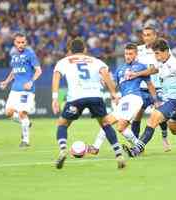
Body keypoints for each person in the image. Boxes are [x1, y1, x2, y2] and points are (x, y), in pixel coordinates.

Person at [123, 38, 176, 157]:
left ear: (165, 51)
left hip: (175, 101)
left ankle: (136, 150)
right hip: (167, 99)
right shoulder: (161, 60)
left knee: (153, 117)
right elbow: (153, 69)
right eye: (154, 53)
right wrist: (136, 74)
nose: (155, 55)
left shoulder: (174, 64)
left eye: (157, 53)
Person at [51, 37, 125, 170]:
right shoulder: (96, 61)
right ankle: (119, 153)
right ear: (85, 49)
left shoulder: (63, 62)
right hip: (95, 96)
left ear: (70, 50)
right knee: (106, 124)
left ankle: (63, 150)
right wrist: (114, 93)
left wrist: (55, 98)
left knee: (62, 123)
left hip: (76, 97)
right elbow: (105, 74)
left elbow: (56, 77)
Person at [87, 43, 157, 155]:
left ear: (136, 54)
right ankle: (96, 147)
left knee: (120, 126)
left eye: (130, 54)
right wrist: (106, 83)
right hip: (124, 100)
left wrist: (155, 100)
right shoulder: (120, 69)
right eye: (126, 54)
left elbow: (150, 84)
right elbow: (113, 85)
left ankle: (138, 147)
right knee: (107, 122)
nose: (128, 56)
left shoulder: (141, 67)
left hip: (134, 98)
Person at [0, 32, 42, 147]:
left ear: (26, 42)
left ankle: (25, 141)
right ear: (15, 43)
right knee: (8, 113)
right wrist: (6, 82)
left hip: (26, 90)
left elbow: (39, 71)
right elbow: (14, 71)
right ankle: (26, 123)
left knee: (22, 113)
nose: (21, 44)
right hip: (14, 89)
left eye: (23, 42)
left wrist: (31, 82)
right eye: (18, 42)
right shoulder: (14, 55)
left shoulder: (30, 54)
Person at [133, 26, 171, 152]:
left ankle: (164, 137)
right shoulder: (138, 50)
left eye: (149, 35)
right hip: (142, 87)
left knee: (159, 114)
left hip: (158, 87)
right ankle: (136, 143)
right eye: (144, 35)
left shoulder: (162, 49)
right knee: (137, 115)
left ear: (155, 36)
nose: (146, 37)